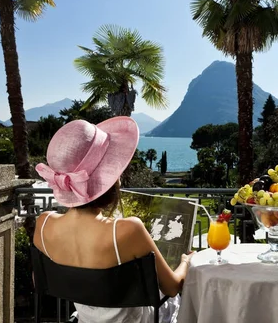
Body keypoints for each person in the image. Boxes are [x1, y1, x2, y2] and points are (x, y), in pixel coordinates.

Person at [33, 116, 191, 323]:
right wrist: (186, 262)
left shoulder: (44, 224)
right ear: (110, 178)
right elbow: (171, 287)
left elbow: (40, 281)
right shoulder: (127, 230)